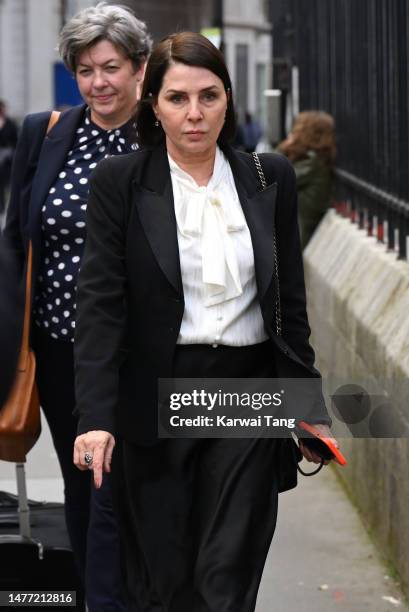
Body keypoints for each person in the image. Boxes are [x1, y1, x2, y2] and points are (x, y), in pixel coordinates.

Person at [73, 32, 339, 612]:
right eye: (177, 98)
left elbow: (288, 308)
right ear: (154, 104)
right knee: (162, 583)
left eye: (208, 96)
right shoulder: (120, 182)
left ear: (227, 99)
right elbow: (99, 306)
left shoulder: (270, 178)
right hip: (155, 394)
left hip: (246, 393)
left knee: (227, 572)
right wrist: (95, 418)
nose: (194, 114)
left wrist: (306, 409)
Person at [4, 2, 152, 610]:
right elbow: (17, 240)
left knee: (137, 489)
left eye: (111, 66)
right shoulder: (47, 133)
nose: (99, 82)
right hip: (61, 347)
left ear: (141, 68)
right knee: (84, 484)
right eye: (85, 69)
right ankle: (97, 598)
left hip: (143, 352)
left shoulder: (166, 134)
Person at [277, 110, 336, 248]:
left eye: (297, 128)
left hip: (300, 239)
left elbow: (271, 177)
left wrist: (284, 146)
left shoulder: (313, 163)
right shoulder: (316, 159)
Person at [0, 100, 18, 214]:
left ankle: (4, 207)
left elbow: (16, 141)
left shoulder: (10, 123)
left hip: (6, 159)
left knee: (5, 185)